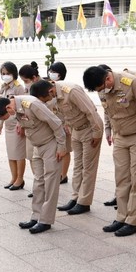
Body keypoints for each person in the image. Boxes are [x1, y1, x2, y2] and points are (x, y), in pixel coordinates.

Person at [83, 64, 136, 237]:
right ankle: (121, 217)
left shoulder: (131, 83)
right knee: (122, 178)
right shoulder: (102, 89)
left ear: (108, 79)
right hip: (121, 137)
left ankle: (133, 221)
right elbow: (108, 111)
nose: (101, 91)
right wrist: (108, 131)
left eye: (102, 87)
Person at [0, 95, 66, 234]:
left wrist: (61, 146)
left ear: (8, 108)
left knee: (50, 182)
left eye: (4, 118)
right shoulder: (15, 108)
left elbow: (55, 122)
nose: (7, 120)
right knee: (38, 182)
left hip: (51, 144)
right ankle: (36, 216)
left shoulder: (32, 105)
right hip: (37, 145)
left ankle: (46, 221)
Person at [32, 78, 103, 215]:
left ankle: (84, 202)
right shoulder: (54, 95)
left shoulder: (71, 91)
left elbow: (90, 111)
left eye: (46, 99)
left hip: (89, 128)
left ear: (50, 90)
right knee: (77, 166)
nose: (48, 101)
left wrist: (97, 132)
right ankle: (75, 197)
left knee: (88, 167)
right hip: (76, 130)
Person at [0, 62, 26, 190]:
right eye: (3, 74)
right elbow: (2, 108)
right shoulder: (4, 87)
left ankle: (20, 179)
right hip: (8, 124)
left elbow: (23, 107)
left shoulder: (19, 87)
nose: (5, 76)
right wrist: (1, 123)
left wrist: (21, 123)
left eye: (8, 73)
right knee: (11, 153)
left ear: (14, 73)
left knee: (18, 153)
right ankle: (13, 178)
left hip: (16, 124)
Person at [19, 62, 43, 197]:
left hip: (41, 130)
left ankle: (42, 186)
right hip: (29, 128)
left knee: (40, 160)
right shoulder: (28, 89)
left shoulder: (44, 88)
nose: (25, 84)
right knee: (31, 157)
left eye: (26, 81)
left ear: (34, 78)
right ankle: (38, 186)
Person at [48, 61, 71, 184]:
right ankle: (57, 172)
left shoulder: (65, 87)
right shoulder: (48, 87)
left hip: (64, 122)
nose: (51, 74)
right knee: (55, 149)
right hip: (53, 123)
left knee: (65, 149)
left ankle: (63, 174)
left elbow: (69, 107)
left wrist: (67, 123)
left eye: (54, 72)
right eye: (50, 71)